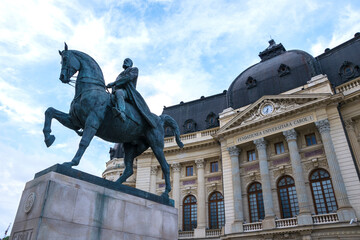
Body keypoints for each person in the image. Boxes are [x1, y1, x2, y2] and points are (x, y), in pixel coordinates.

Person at [106, 58, 156, 128]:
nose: (125, 62)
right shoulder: (120, 74)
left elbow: (127, 78)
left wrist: (113, 83)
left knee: (119, 93)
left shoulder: (134, 70)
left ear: (130, 63)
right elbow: (117, 84)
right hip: (116, 91)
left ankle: (122, 112)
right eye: (124, 61)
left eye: (127, 61)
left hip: (128, 92)